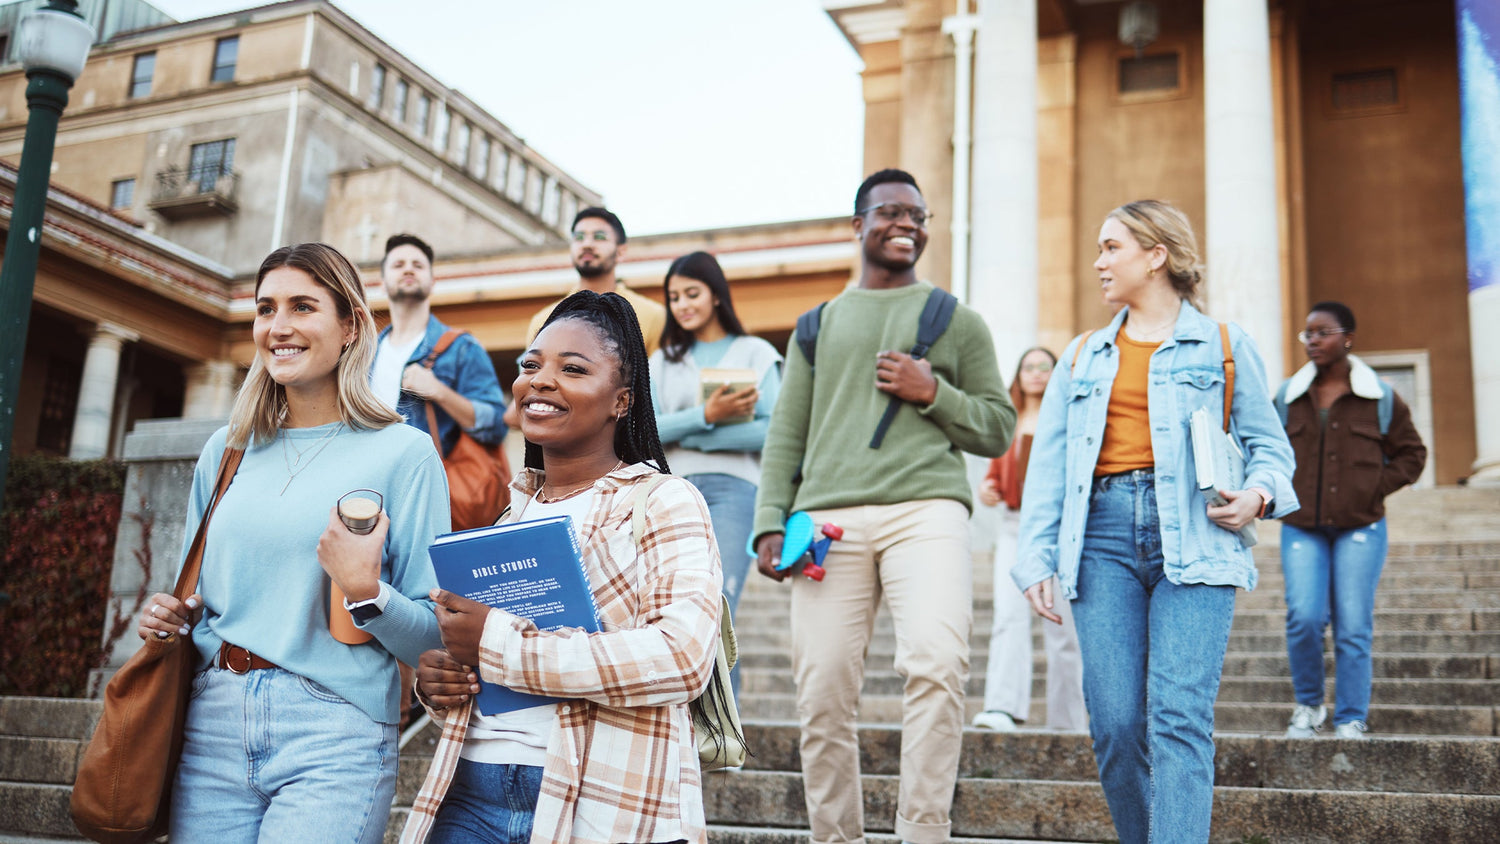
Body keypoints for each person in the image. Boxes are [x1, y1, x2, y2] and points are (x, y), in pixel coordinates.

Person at [136, 242, 448, 843]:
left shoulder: (405, 453)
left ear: (351, 325)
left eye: (303, 307)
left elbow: (435, 633)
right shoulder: (224, 451)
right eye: (265, 309)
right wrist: (167, 617)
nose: (278, 327)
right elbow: (193, 596)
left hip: (336, 728)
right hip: (212, 723)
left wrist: (365, 590)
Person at [1013, 200, 1297, 844]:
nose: (1098, 262)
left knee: (1178, 718)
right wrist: (1034, 557)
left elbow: (1271, 448)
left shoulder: (1225, 344)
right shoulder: (1083, 356)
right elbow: (1049, 470)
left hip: (1197, 535)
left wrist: (1257, 495)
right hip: (1101, 539)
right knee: (1115, 725)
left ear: (1156, 255)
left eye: (1112, 247)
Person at [400, 290, 724, 844]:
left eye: (572, 369)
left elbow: (683, 656)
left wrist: (501, 646)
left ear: (621, 400)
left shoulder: (663, 500)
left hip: (600, 798)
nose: (539, 380)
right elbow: (486, 656)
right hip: (471, 791)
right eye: (530, 365)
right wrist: (442, 677)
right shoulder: (509, 514)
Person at [752, 169, 1015, 844]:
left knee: (936, 661)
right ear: (858, 225)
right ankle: (835, 838)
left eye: (918, 215)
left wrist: (934, 392)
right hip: (827, 523)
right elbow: (786, 435)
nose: (907, 224)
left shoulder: (955, 321)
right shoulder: (815, 326)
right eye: (891, 212)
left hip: (926, 510)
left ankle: (922, 833)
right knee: (822, 695)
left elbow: (996, 427)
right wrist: (769, 524)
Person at [1274, 301, 1427, 740]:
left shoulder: (1379, 397)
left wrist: (1375, 487)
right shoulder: (1287, 396)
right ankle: (1308, 706)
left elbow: (1412, 454)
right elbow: (1263, 446)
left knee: (1353, 622)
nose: (1313, 340)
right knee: (1303, 616)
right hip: (1302, 525)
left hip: (1361, 525)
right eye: (1308, 334)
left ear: (1347, 338)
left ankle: (1350, 716)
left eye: (1322, 332)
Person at [649, 250, 782, 700]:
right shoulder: (663, 360)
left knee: (719, 605)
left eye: (692, 293)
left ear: (716, 295)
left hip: (736, 492)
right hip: (671, 492)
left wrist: (700, 437)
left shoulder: (755, 352)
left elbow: (775, 431)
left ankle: (725, 729)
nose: (683, 305)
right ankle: (685, 727)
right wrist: (706, 414)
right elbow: (644, 429)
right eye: (674, 297)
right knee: (674, 608)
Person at [971, 347, 1086, 733]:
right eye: (1028, 367)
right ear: (1017, 376)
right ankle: (1002, 707)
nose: (1035, 373)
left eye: (1044, 367)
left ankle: (1069, 720)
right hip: (1013, 525)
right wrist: (988, 487)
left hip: (1059, 529)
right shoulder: (1008, 421)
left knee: (1063, 627)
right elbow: (994, 474)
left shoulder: (1070, 418)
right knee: (1008, 614)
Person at [372, 233, 508, 454]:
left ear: (433, 282)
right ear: (382, 284)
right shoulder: (364, 355)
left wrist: (438, 391)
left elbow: (496, 425)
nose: (408, 269)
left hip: (429, 482)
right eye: (398, 265)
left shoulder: (462, 348)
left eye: (418, 265)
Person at [524, 207, 666, 354]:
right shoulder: (544, 320)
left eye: (599, 237)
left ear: (621, 252)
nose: (587, 244)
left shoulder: (653, 316)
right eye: (579, 238)